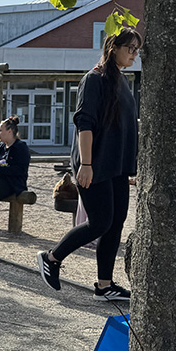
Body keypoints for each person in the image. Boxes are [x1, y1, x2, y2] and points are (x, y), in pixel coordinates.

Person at [37, 28, 141, 303]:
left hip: (116, 166)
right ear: (113, 47)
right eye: (130, 48)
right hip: (93, 163)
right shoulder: (94, 79)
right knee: (100, 222)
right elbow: (85, 123)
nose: (134, 54)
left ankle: (104, 286)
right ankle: (51, 257)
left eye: (137, 50)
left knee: (116, 222)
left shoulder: (121, 80)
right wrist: (86, 163)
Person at [0, 115, 32, 202]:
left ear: (9, 131)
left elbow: (20, 170)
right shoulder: (1, 146)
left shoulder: (20, 148)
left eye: (0, 130)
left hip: (13, 183)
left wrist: (0, 168)